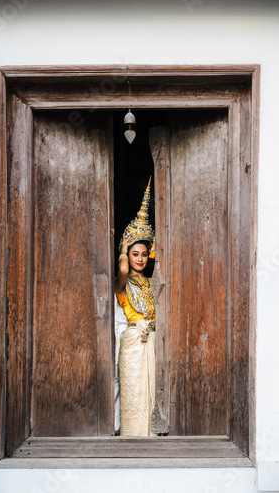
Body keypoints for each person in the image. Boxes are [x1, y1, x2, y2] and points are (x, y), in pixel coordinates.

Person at [114, 177, 156, 436]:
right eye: (134, 254)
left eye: (143, 254)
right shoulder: (123, 282)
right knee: (132, 392)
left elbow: (155, 256)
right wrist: (123, 247)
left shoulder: (149, 281)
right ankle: (130, 436)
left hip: (149, 339)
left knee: (150, 394)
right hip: (131, 341)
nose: (139, 259)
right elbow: (121, 271)